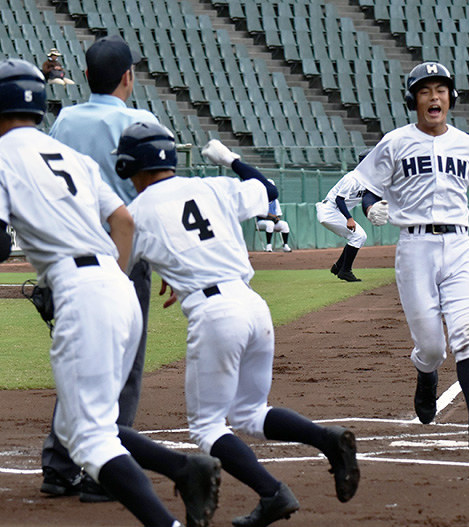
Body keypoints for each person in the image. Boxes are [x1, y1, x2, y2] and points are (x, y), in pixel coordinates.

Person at [0, 58, 221, 527]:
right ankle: (183, 467)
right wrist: (112, 282)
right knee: (85, 421)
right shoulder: (72, 159)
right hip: (116, 286)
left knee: (89, 437)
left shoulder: (5, 154)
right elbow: (123, 220)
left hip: (80, 289)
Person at [113, 125, 360, 526]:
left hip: (214, 314)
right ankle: (327, 440)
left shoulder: (136, 213)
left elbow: (118, 269)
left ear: (128, 166)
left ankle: (273, 493)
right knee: (248, 413)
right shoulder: (212, 187)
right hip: (252, 305)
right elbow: (268, 189)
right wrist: (231, 160)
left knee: (208, 427)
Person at [352, 62, 469, 451]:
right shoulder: (394, 142)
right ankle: (425, 372)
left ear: (451, 98)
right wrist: (368, 206)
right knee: (431, 347)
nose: (434, 97)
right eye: (426, 90)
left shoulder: (467, 145)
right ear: (413, 100)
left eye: (441, 90)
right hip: (415, 248)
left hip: (460, 246)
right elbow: (362, 184)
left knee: (467, 334)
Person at [41, 34, 160, 501]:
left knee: (80, 361)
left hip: (68, 255)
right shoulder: (139, 119)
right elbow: (154, 196)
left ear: (86, 76)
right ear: (128, 76)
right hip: (123, 253)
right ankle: (104, 470)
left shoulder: (65, 119)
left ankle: (58, 465)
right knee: (122, 367)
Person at [316, 149, 373, 282]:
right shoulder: (353, 178)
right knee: (359, 236)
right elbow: (339, 199)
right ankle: (345, 271)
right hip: (330, 210)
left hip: (334, 211)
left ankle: (339, 267)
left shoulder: (368, 179)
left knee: (359, 236)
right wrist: (349, 218)